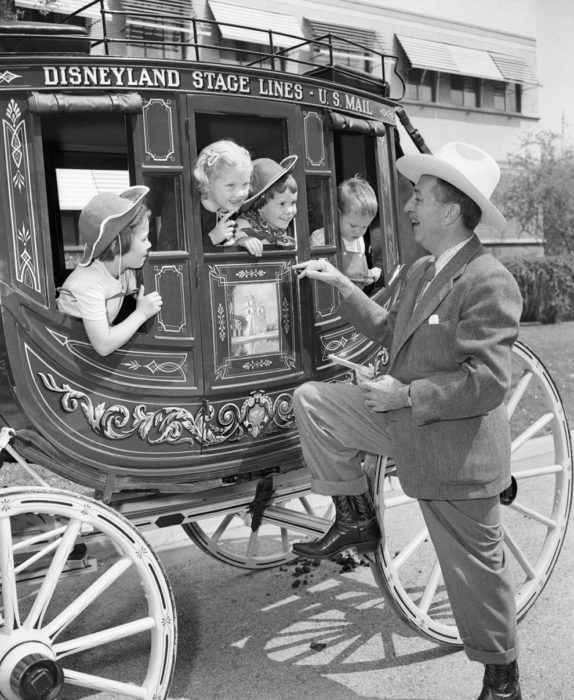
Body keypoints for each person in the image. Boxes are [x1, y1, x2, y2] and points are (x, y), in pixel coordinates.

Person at [291, 142, 523, 700]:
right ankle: (355, 516)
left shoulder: (489, 280)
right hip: (398, 417)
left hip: (454, 445)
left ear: (450, 209)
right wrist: (342, 284)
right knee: (314, 400)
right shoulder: (422, 269)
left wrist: (409, 393)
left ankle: (502, 678)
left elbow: (490, 381)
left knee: (475, 574)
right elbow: (387, 328)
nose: (410, 207)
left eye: (419, 197)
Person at [57, 186, 162, 356]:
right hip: (69, 352)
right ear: (116, 246)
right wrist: (141, 314)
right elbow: (103, 346)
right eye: (143, 239)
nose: (149, 245)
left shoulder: (124, 270)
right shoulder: (88, 283)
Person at [311, 176, 381, 289]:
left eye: (364, 227)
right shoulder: (320, 238)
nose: (358, 231)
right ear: (338, 213)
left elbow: (357, 272)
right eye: (353, 225)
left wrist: (368, 276)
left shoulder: (359, 241)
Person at [193, 139, 253, 247]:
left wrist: (240, 242)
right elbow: (170, 251)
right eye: (231, 185)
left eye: (245, 184)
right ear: (208, 182)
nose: (241, 193)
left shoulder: (234, 208)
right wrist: (211, 238)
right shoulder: (186, 209)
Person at [235, 156, 298, 257]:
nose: (290, 211)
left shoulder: (284, 228)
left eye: (293, 203)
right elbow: (226, 244)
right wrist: (241, 241)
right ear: (260, 204)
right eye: (282, 204)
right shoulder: (244, 224)